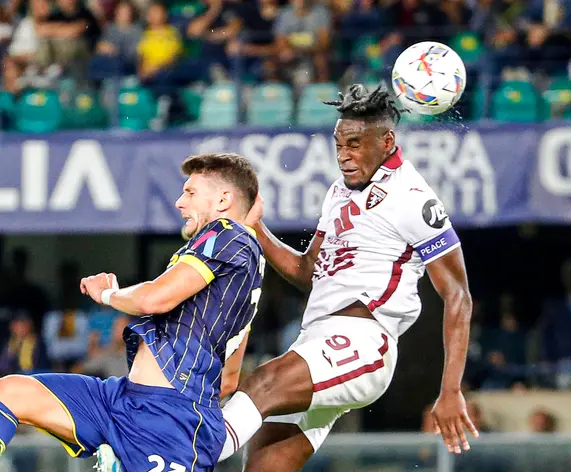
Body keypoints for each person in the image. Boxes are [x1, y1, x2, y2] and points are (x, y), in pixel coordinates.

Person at [217, 84, 478, 471]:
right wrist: (255, 227)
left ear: (387, 141)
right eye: (339, 145)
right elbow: (307, 272)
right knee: (264, 462)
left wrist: (451, 388)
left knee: (263, 382)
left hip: (363, 344)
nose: (344, 156)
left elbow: (458, 295)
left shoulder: (413, 198)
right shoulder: (340, 191)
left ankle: (169, 455)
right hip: (317, 341)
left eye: (354, 144)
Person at [0, 153, 264, 472]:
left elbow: (154, 299)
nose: (180, 202)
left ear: (223, 200)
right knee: (11, 392)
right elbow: (229, 379)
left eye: (191, 192)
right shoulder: (240, 272)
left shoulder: (226, 234)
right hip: (123, 400)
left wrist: (108, 293)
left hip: (169, 422)